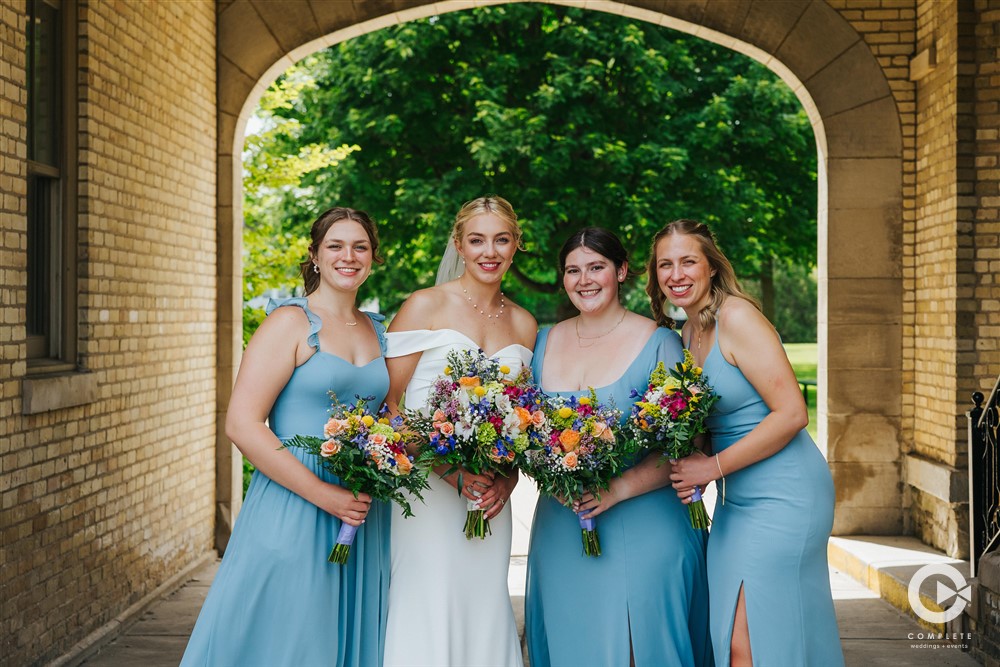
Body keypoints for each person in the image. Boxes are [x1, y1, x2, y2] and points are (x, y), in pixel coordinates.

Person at [180, 207, 391, 667]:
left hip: (361, 508)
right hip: (296, 501)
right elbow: (242, 423)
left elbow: (391, 418)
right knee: (288, 639)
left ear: (374, 258)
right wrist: (325, 495)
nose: (348, 256)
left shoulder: (381, 331)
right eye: (335, 246)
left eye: (360, 247)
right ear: (315, 255)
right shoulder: (291, 323)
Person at [653, 219, 843, 667]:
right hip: (736, 503)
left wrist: (710, 467)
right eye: (665, 264)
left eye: (687, 261)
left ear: (712, 267)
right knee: (739, 634)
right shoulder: (687, 332)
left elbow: (793, 413)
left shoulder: (736, 317)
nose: (676, 274)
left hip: (786, 495)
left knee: (750, 641)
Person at [524, 227, 712, 667]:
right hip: (562, 523)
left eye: (597, 267)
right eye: (573, 270)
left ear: (622, 271)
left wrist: (618, 489)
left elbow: (688, 444)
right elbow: (522, 427)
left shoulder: (661, 343)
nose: (584, 280)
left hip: (644, 520)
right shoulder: (542, 342)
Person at [382, 196, 537, 667]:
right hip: (425, 492)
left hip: (488, 499)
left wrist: (506, 480)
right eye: (477, 240)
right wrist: (451, 472)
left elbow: (523, 417)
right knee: (428, 604)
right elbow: (388, 407)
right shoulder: (424, 305)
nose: (489, 251)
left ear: (515, 247)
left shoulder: (526, 323)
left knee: (483, 605)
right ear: (459, 244)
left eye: (501, 240)